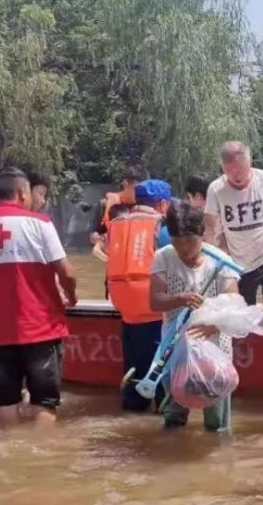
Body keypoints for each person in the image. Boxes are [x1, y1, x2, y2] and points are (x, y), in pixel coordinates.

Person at [0, 167, 77, 427]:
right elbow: (67, 272)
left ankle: (9, 453)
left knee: (5, 402)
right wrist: (71, 296)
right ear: (23, 192)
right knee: (44, 402)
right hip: (40, 328)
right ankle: (40, 459)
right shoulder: (40, 224)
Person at [150, 201, 241, 431]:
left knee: (217, 426)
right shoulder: (163, 258)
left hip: (215, 352)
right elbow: (154, 301)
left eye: (190, 240)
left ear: (202, 235)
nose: (184, 248)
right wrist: (179, 298)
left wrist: (215, 326)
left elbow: (235, 307)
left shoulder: (221, 263)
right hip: (176, 350)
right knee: (173, 420)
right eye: (177, 241)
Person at [106, 179, 173, 412]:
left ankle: (132, 407)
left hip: (123, 304)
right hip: (152, 304)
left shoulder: (117, 223)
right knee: (159, 366)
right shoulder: (161, 226)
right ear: (163, 204)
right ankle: (164, 409)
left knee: (134, 364)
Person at [204, 142, 263, 308]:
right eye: (231, 171)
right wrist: (211, 257)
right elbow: (210, 227)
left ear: (250, 162)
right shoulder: (216, 189)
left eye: (241, 169)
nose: (237, 175)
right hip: (238, 260)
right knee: (243, 309)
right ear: (223, 167)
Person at [91, 164, 145, 247]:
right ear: (125, 184)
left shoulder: (145, 206)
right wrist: (104, 239)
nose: (139, 193)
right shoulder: (105, 204)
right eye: (136, 189)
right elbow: (93, 238)